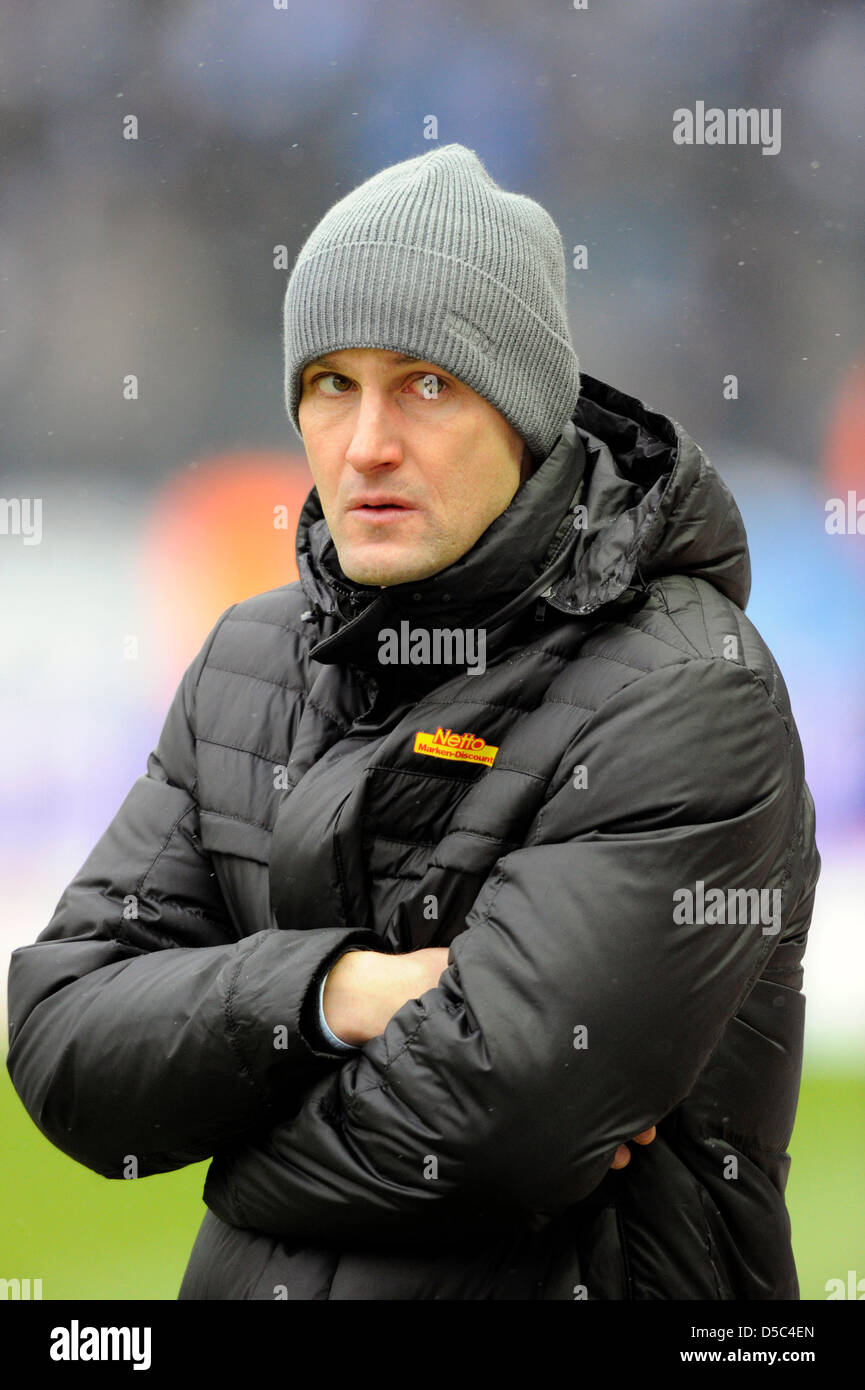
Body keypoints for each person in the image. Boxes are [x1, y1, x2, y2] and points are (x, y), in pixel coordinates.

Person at [6, 143, 820, 1300]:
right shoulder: (247, 657)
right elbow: (64, 1038)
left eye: (425, 384)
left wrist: (230, 1154)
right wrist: (329, 994)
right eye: (329, 383)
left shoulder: (689, 687)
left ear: (527, 410)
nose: (366, 442)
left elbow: (502, 1119)